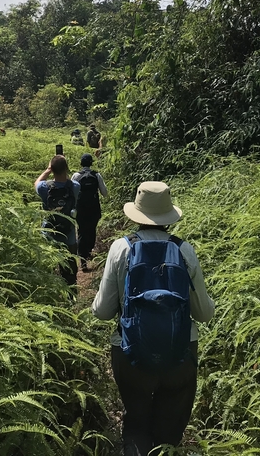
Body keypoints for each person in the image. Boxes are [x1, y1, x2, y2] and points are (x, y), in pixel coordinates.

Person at [91, 181, 215, 456]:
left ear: (136, 212)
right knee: (169, 430)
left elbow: (101, 311)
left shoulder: (120, 249)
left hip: (130, 350)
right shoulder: (184, 251)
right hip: (181, 350)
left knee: (136, 420)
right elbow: (204, 314)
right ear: (168, 215)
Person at [35, 155, 81, 286]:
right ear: (67, 168)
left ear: (52, 169)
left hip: (49, 233)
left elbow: (36, 183)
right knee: (70, 268)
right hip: (69, 234)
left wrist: (48, 170)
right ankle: (71, 291)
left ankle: (50, 292)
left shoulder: (44, 187)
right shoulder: (75, 186)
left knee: (48, 266)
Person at [71, 153, 108, 271]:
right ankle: (88, 252)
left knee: (81, 231)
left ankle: (82, 260)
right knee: (91, 230)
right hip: (94, 209)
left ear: (81, 163)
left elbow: (71, 192)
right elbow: (105, 193)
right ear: (91, 163)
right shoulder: (96, 175)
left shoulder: (76, 176)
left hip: (80, 209)